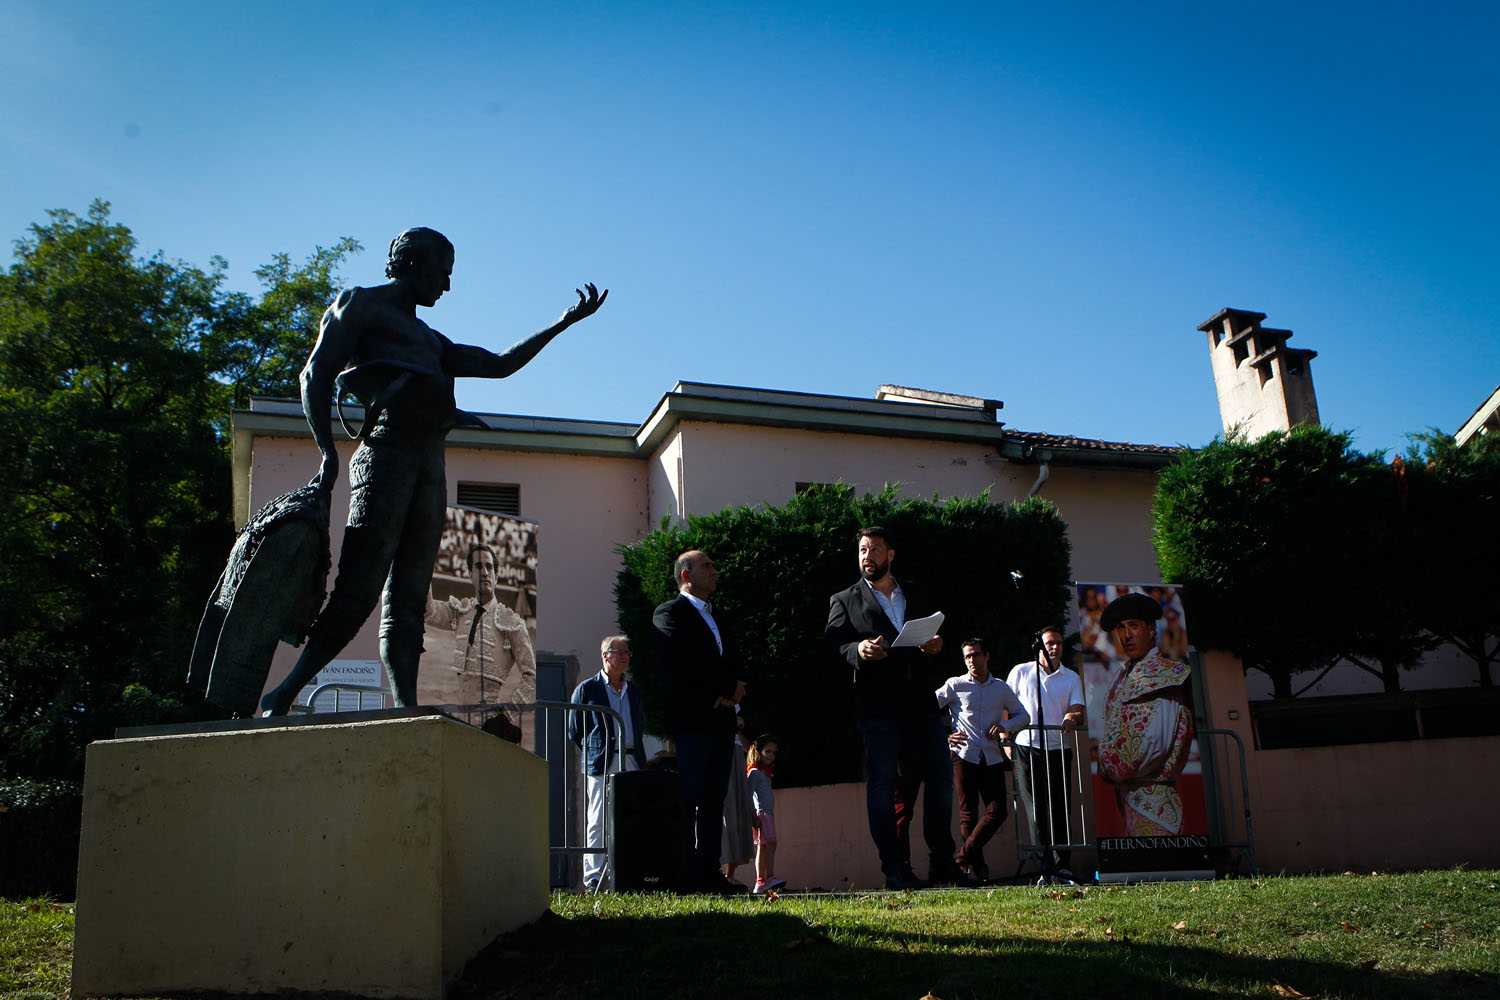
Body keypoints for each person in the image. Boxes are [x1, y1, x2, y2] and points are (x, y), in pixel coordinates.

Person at [259, 227, 605, 715]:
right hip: (385, 456)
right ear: (412, 263)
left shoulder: (431, 340)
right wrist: (327, 453)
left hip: (428, 466)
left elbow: (500, 364)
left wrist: (565, 321)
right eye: (443, 273)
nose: (446, 286)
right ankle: (285, 692)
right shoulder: (360, 305)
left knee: (409, 601)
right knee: (357, 592)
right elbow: (315, 374)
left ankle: (405, 704)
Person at [825, 526, 968, 890]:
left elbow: (934, 637)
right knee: (883, 785)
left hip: (921, 702)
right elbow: (833, 647)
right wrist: (857, 650)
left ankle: (942, 864)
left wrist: (936, 647)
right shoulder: (844, 599)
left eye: (874, 549)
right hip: (878, 707)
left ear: (890, 554)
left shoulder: (916, 593)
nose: (866, 556)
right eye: (861, 550)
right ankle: (895, 869)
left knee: (940, 778)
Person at [652, 550, 747, 893]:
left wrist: (735, 690)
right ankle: (684, 870)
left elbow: (732, 657)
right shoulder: (669, 613)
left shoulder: (718, 616)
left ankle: (708, 871)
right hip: (694, 719)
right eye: (707, 565)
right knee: (690, 795)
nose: (715, 570)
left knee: (714, 797)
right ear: (686, 575)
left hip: (721, 720)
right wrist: (724, 688)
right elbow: (685, 660)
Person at [1097, 592, 1195, 836]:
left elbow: (1157, 741)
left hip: (1157, 802)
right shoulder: (1121, 677)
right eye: (1121, 628)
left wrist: (1112, 766)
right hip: (1128, 799)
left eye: (1133, 626)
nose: (1126, 635)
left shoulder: (1168, 676)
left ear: (1151, 630)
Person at [935, 638, 1029, 882]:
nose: (972, 661)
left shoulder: (1000, 687)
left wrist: (1004, 726)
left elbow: (1024, 715)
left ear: (987, 656)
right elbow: (926, 708)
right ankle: (979, 869)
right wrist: (944, 737)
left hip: (992, 756)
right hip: (964, 754)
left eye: (976, 655)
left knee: (998, 811)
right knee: (968, 814)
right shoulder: (955, 685)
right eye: (967, 656)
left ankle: (962, 858)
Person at [567, 635, 647, 892]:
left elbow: (639, 724)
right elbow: (575, 730)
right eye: (619, 652)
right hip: (602, 761)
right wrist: (597, 750)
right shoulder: (587, 689)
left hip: (631, 759)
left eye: (627, 652)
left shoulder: (633, 691)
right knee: (598, 818)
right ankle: (594, 877)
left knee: (633, 815)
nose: (625, 657)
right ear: (606, 656)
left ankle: (630, 873)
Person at [1005, 626, 1086, 874]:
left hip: (1058, 748)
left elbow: (1077, 710)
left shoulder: (1071, 677)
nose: (1054, 647)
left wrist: (1071, 718)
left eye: (1059, 643)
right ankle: (1044, 867)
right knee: (1036, 810)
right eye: (1050, 643)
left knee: (1060, 807)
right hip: (1027, 748)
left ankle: (1063, 866)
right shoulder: (1021, 671)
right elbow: (1006, 708)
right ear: (1039, 645)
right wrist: (1006, 740)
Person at [423, 544, 536, 707]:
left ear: (496, 576)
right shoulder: (461, 611)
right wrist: (425, 568)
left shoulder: (512, 623)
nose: (484, 572)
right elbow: (430, 613)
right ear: (470, 574)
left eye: (489, 567)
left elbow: (531, 677)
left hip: (490, 720)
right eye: (478, 566)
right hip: (461, 715)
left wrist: (507, 715)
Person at [746, 734, 787, 894]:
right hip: (762, 815)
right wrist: (752, 815)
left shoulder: (764, 773)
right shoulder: (755, 772)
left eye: (774, 753)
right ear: (758, 752)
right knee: (770, 844)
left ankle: (760, 882)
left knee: (763, 848)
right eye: (767, 751)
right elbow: (748, 795)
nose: (771, 755)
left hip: (765, 814)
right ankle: (769, 877)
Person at [721, 712, 755, 888]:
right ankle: (721, 873)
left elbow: (748, 747)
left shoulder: (735, 717)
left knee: (736, 815)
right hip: (720, 757)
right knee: (726, 814)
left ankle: (730, 875)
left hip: (735, 760)